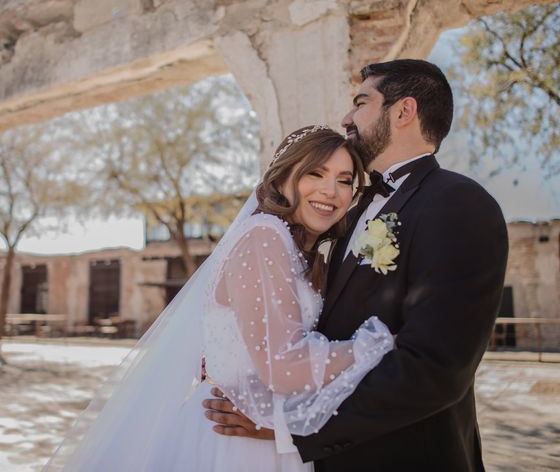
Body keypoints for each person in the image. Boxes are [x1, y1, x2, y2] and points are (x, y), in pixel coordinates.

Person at [203, 59, 509, 471]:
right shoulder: (349, 210)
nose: (348, 117)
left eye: (361, 102)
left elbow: (436, 369)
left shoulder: (458, 204)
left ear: (403, 111)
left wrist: (292, 429)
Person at [44, 126, 394, 472]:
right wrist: (375, 347)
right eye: (315, 173)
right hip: (233, 442)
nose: (330, 191)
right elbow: (284, 367)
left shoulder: (294, 247)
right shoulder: (264, 236)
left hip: (267, 433)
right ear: (283, 177)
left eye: (345, 180)